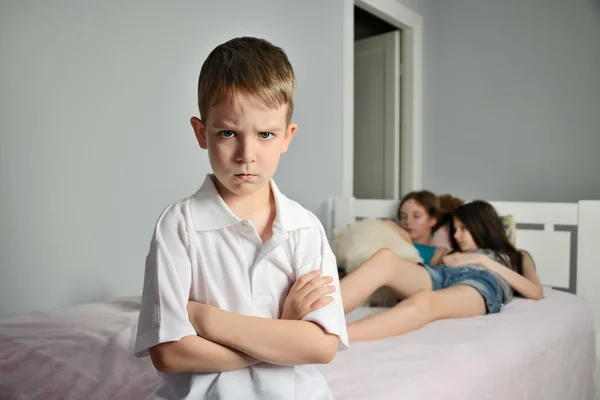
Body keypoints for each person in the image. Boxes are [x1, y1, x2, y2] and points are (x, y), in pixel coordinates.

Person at [134, 36, 348, 400]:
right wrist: (284, 331)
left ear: (286, 136)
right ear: (202, 133)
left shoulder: (304, 227)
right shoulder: (179, 225)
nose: (246, 155)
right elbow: (169, 353)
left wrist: (209, 321)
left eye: (265, 134)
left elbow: (320, 347)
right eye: (228, 133)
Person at [340, 200, 543, 342]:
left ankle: (334, 337)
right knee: (385, 258)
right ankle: (315, 316)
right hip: (443, 274)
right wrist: (392, 227)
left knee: (425, 300)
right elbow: (410, 245)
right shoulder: (451, 253)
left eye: (463, 229)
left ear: (483, 226)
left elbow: (535, 292)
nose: (458, 235)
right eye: (455, 229)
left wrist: (482, 260)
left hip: (480, 284)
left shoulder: (518, 256)